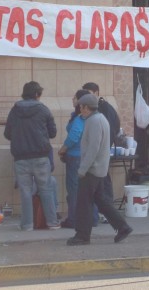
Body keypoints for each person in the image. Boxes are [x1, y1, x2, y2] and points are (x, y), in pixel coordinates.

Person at [67, 93, 133, 246]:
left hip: (92, 169)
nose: (80, 110)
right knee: (101, 201)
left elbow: (93, 148)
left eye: (81, 107)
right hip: (99, 168)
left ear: (86, 107)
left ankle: (82, 235)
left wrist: (82, 169)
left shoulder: (94, 121)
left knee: (83, 203)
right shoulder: (99, 119)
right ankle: (123, 227)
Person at [4, 81, 60, 231]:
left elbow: (7, 133)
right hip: (41, 156)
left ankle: (27, 225)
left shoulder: (14, 110)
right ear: (36, 94)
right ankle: (52, 223)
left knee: (25, 192)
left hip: (21, 158)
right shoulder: (43, 110)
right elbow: (53, 133)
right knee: (46, 189)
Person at [58, 89, 95, 229]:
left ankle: (73, 219)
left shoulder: (81, 118)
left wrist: (64, 148)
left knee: (74, 190)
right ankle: (91, 217)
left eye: (75, 98)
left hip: (75, 156)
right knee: (87, 190)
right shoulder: (90, 117)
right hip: (84, 156)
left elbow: (74, 135)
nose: (73, 100)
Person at [82, 82, 120, 202]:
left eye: (89, 95)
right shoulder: (93, 111)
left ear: (96, 93)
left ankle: (107, 208)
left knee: (103, 181)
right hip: (97, 153)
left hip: (101, 152)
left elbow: (110, 130)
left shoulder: (104, 110)